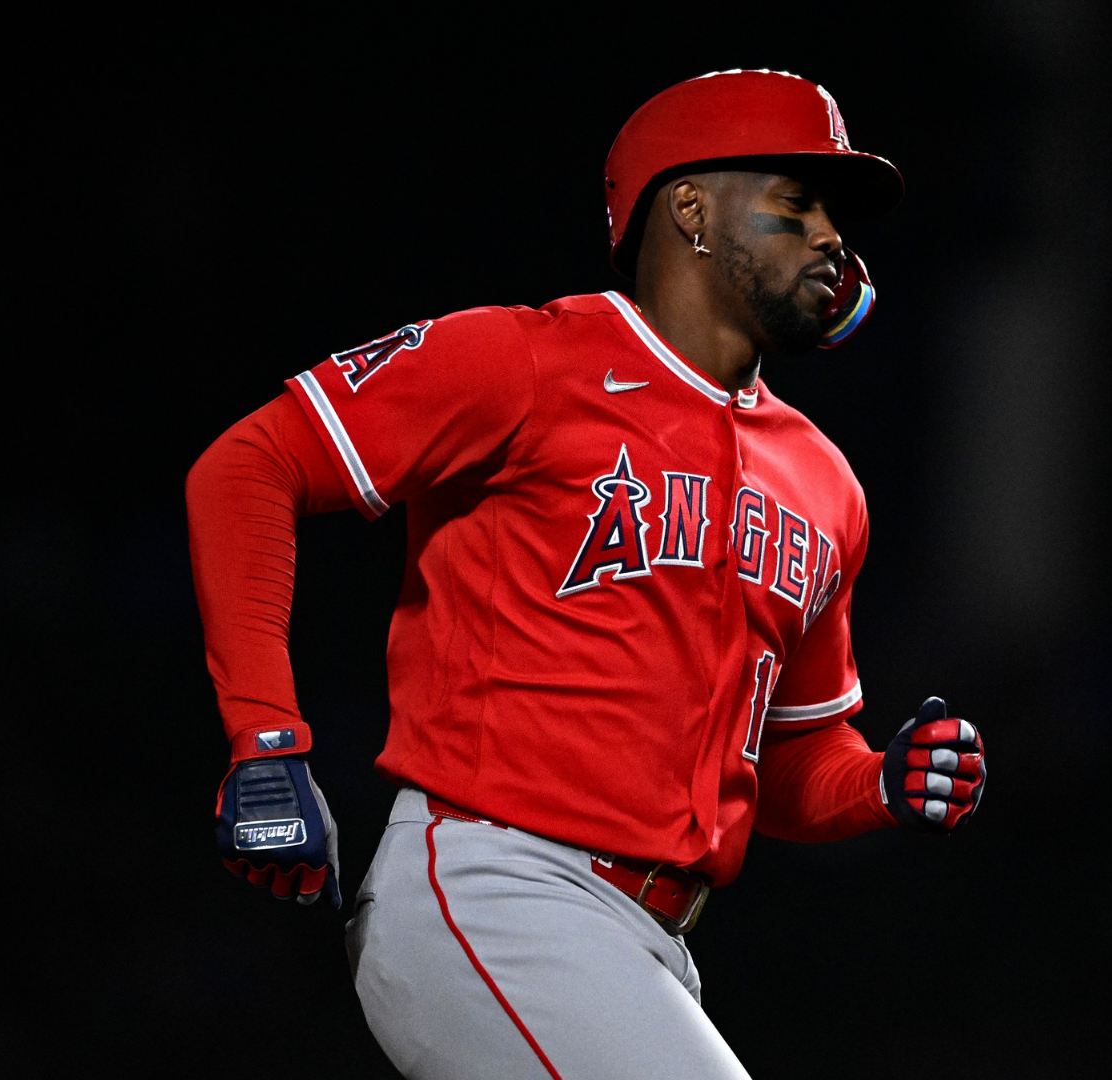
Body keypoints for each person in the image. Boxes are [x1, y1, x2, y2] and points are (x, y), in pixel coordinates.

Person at [186, 69, 987, 1079]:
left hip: (653, 942)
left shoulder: (827, 484)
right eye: (796, 203)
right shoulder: (527, 361)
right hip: (496, 888)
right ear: (689, 210)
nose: (833, 236)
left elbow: (788, 761)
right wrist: (266, 739)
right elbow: (253, 463)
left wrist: (879, 782)